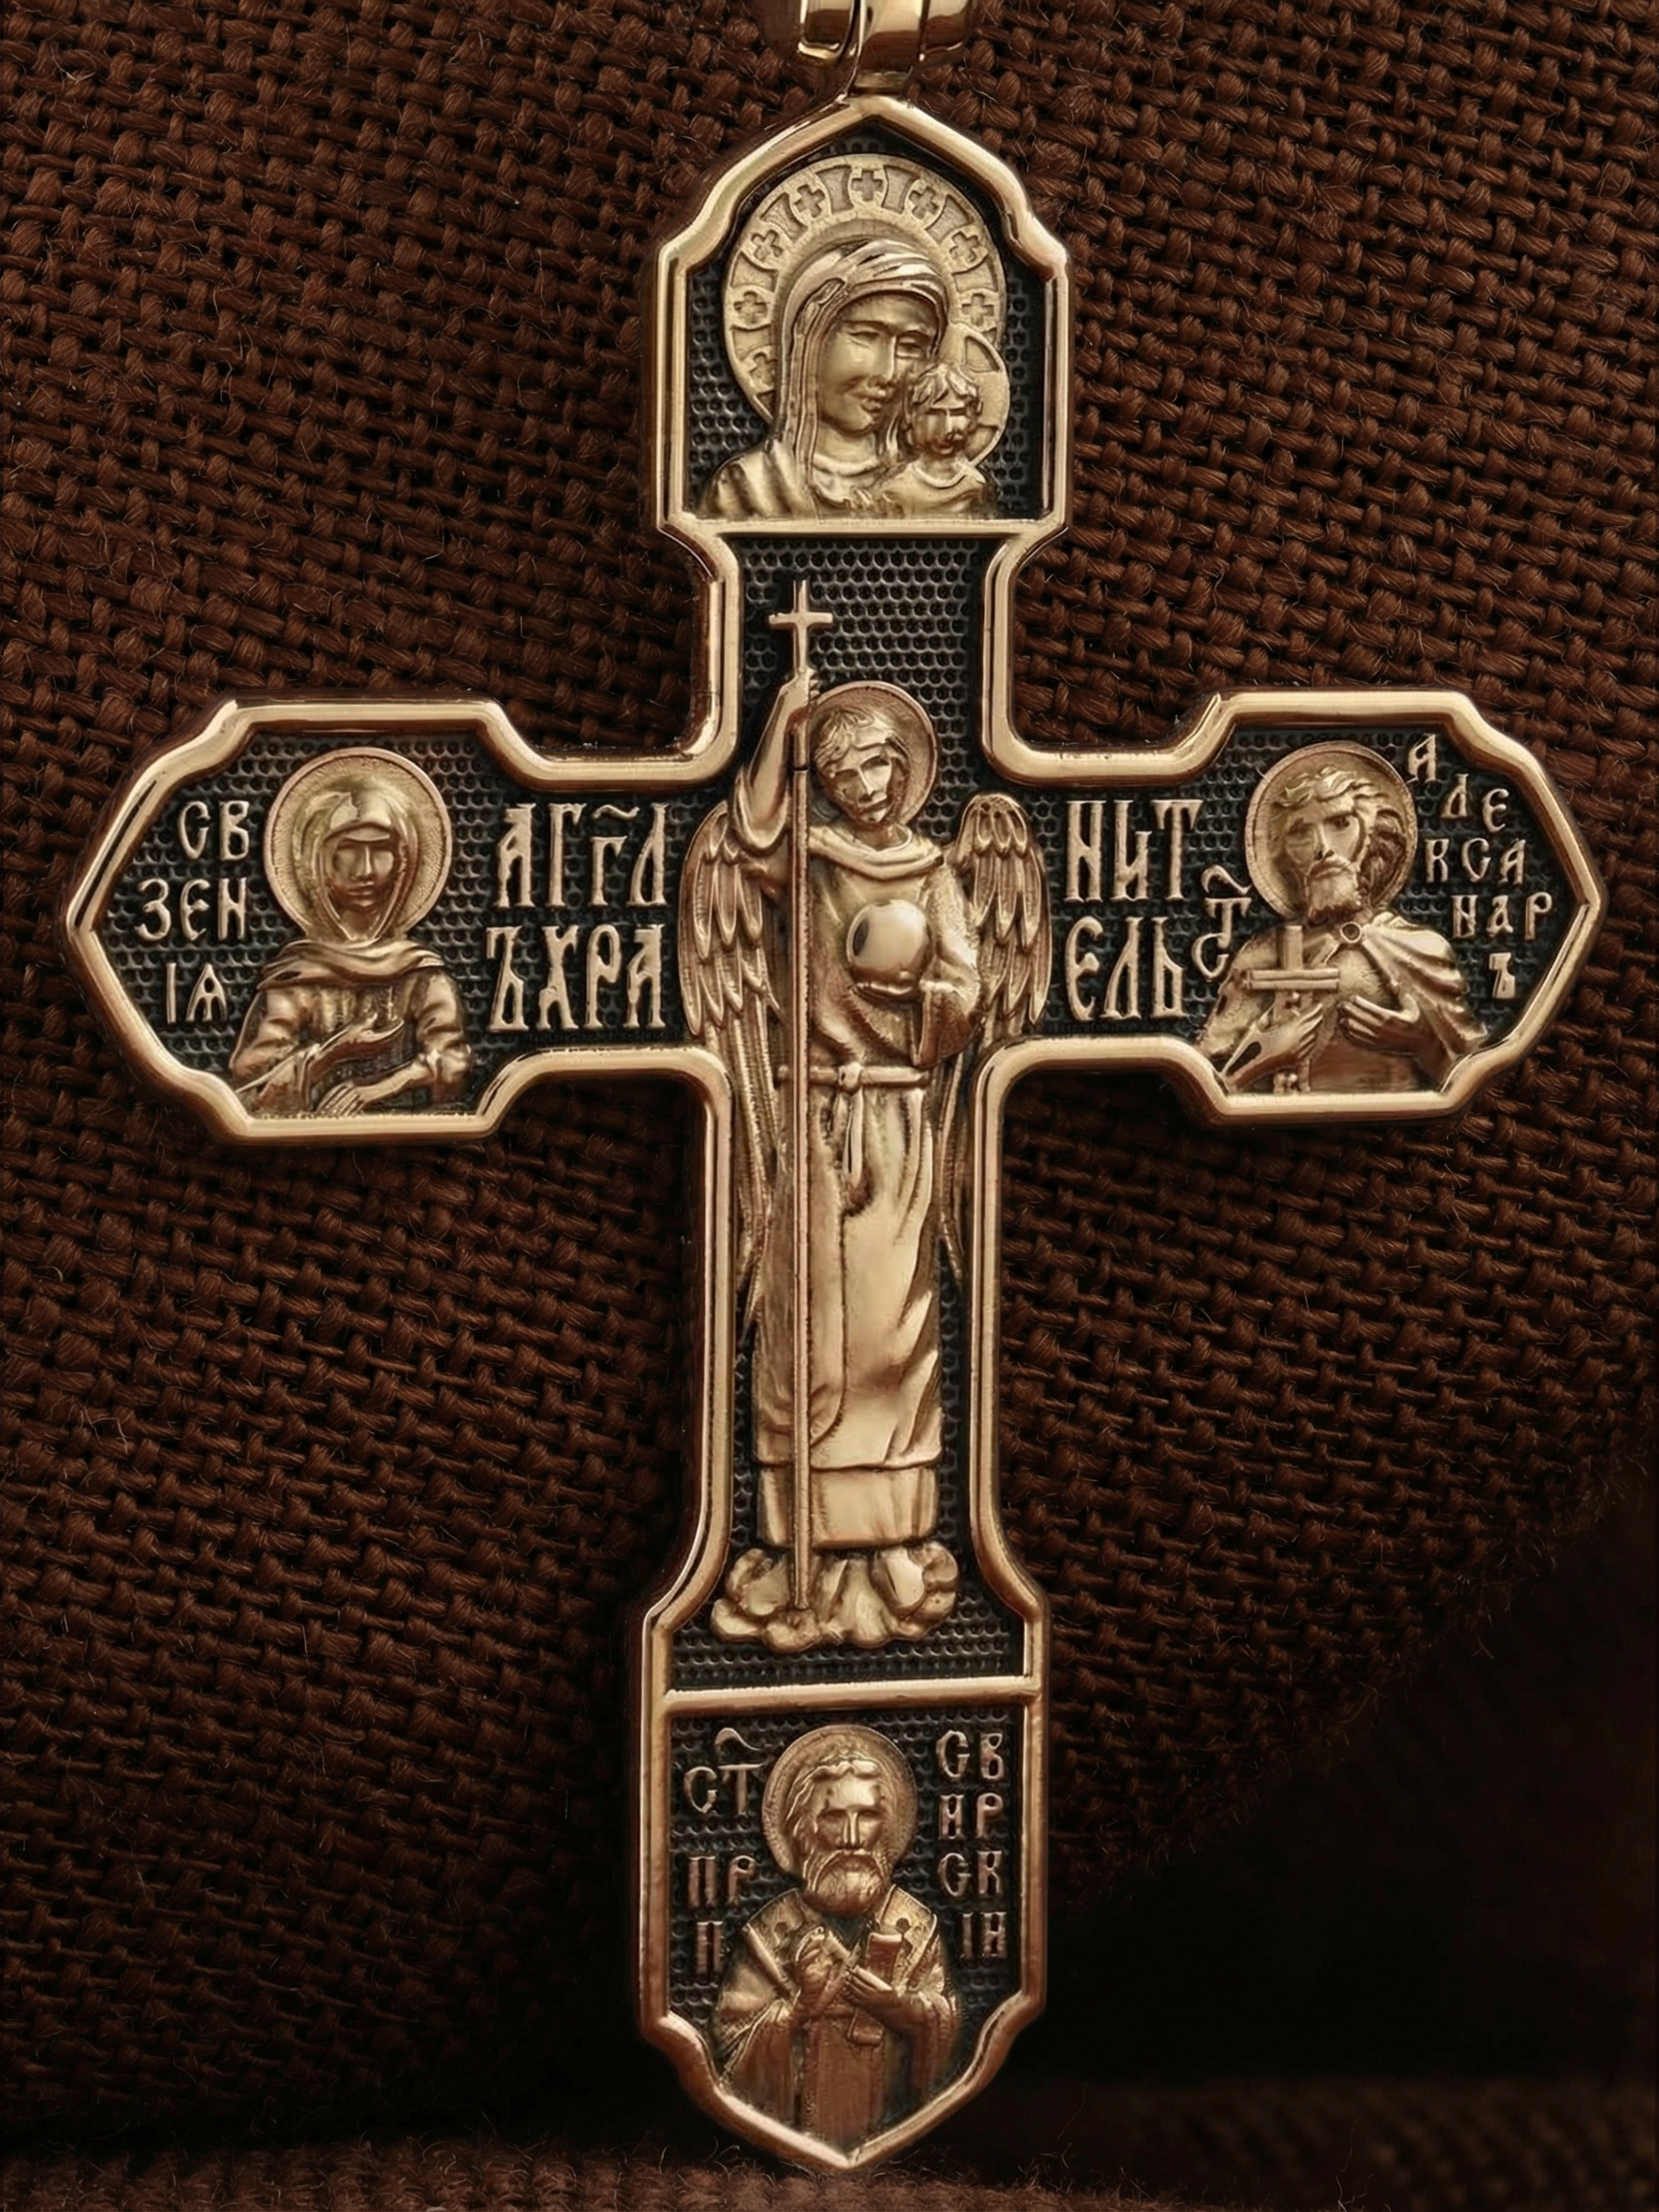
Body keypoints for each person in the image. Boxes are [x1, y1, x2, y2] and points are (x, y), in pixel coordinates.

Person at [713, 1725, 958, 2150]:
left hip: (911, 2144)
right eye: (832, 1817)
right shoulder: (769, 1936)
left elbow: (951, 2030)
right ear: (802, 1829)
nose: (851, 1838)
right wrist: (796, 2011)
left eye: (867, 1816)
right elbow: (728, 2051)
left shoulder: (916, 1928)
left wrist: (903, 2010)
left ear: (888, 1825)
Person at [1198, 751, 1484, 1093]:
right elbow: (1210, 1080)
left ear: (1374, 836)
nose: (1323, 849)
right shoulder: (1261, 956)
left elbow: (1473, 1075)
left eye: (1340, 824)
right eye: (1300, 833)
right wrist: (1263, 1058)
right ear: (1283, 855)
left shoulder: (1422, 948)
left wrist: (1422, 1042)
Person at [229, 753, 471, 1118]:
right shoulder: (296, 979)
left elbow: (454, 1062)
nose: (366, 870)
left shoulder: (421, 975)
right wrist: (333, 1054)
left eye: (381, 849)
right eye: (348, 849)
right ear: (317, 860)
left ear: (404, 860)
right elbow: (249, 1092)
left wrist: (382, 1086)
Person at [700, 239, 949, 520]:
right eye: (866, 336)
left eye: (911, 347)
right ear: (811, 339)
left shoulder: (940, 489)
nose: (887, 373)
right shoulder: (749, 488)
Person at [881, 360, 992, 517]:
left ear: (972, 419)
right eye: (934, 414)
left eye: (957, 413)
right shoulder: (896, 488)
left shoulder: (974, 484)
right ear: (912, 416)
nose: (947, 429)